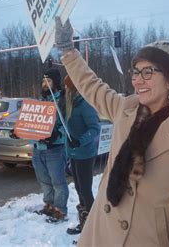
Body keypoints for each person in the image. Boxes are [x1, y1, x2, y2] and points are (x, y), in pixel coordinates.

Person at [55, 17, 169, 246]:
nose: (138, 80)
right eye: (136, 72)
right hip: (100, 235)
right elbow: (91, 86)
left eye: (148, 72)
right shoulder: (126, 109)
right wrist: (67, 51)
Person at [63, 75, 101, 235]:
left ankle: (93, 227)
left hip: (85, 153)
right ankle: (84, 222)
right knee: (79, 189)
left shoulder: (84, 105)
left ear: (73, 89)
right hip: (74, 153)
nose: (65, 90)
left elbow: (95, 128)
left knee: (85, 190)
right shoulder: (68, 104)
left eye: (67, 87)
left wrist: (80, 141)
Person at [32, 68, 69, 223]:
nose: (45, 84)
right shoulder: (41, 101)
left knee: (58, 182)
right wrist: (21, 132)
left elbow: (67, 124)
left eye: (48, 81)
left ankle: (60, 210)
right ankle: (49, 205)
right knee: (44, 180)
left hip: (55, 149)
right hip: (38, 149)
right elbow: (32, 122)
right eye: (43, 81)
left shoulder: (62, 101)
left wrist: (56, 134)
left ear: (55, 83)